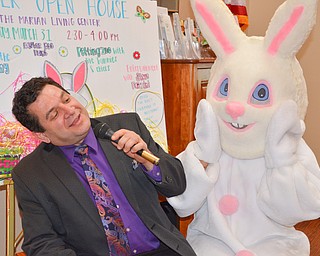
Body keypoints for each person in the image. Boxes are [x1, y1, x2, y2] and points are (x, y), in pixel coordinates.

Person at [11, 77, 196, 256]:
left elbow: (177, 184)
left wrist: (147, 161)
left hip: (161, 250)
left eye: (66, 99)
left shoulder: (126, 126)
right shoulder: (30, 174)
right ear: (42, 135)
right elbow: (41, 242)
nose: (69, 110)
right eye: (55, 114)